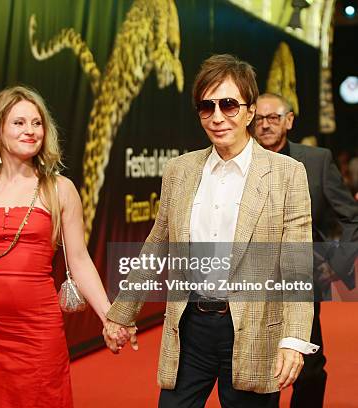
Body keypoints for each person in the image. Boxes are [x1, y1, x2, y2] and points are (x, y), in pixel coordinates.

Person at [103, 54, 318, 407]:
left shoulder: (286, 174)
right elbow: (157, 244)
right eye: (207, 107)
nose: (217, 117)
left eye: (229, 105)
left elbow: (296, 265)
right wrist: (122, 313)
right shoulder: (180, 170)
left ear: (250, 111)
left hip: (252, 330)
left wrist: (294, 339)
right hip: (190, 328)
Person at [0, 85, 111, 408]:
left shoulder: (60, 189)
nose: (30, 131)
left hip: (38, 334)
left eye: (37, 123)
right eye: (19, 123)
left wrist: (108, 316)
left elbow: (79, 260)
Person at [255, 93, 358, 408]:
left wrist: (338, 265)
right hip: (252, 279)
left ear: (289, 120)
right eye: (258, 118)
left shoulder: (316, 160)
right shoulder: (241, 163)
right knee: (255, 366)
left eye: (273, 117)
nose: (265, 125)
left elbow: (351, 217)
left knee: (309, 366)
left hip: (304, 278)